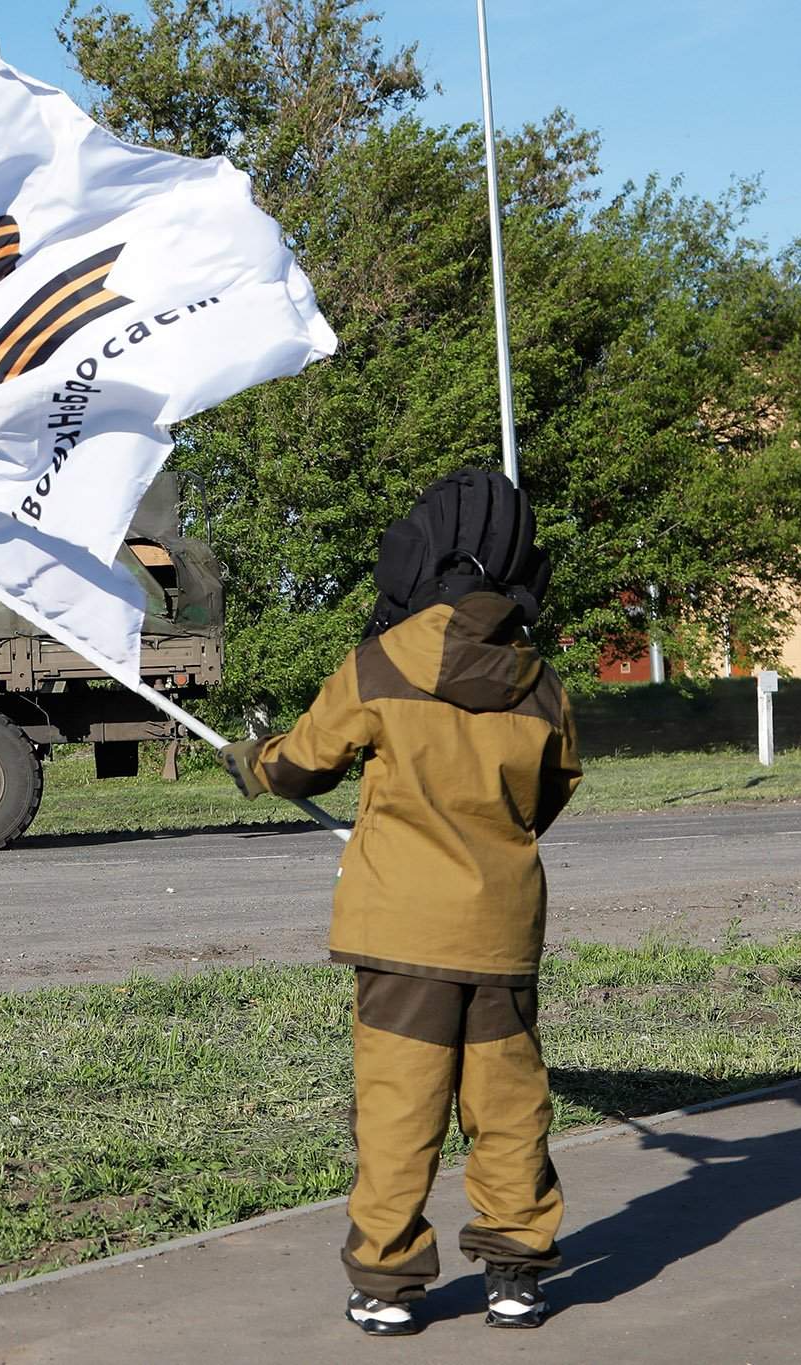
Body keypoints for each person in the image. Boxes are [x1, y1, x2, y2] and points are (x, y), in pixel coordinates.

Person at [221, 469, 582, 1337]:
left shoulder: (379, 665)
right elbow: (554, 789)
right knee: (507, 1105)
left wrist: (251, 760)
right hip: (500, 931)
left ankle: (386, 1283)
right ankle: (515, 1276)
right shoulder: (538, 684)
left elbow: (303, 761)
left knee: (400, 1104)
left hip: (402, 936)